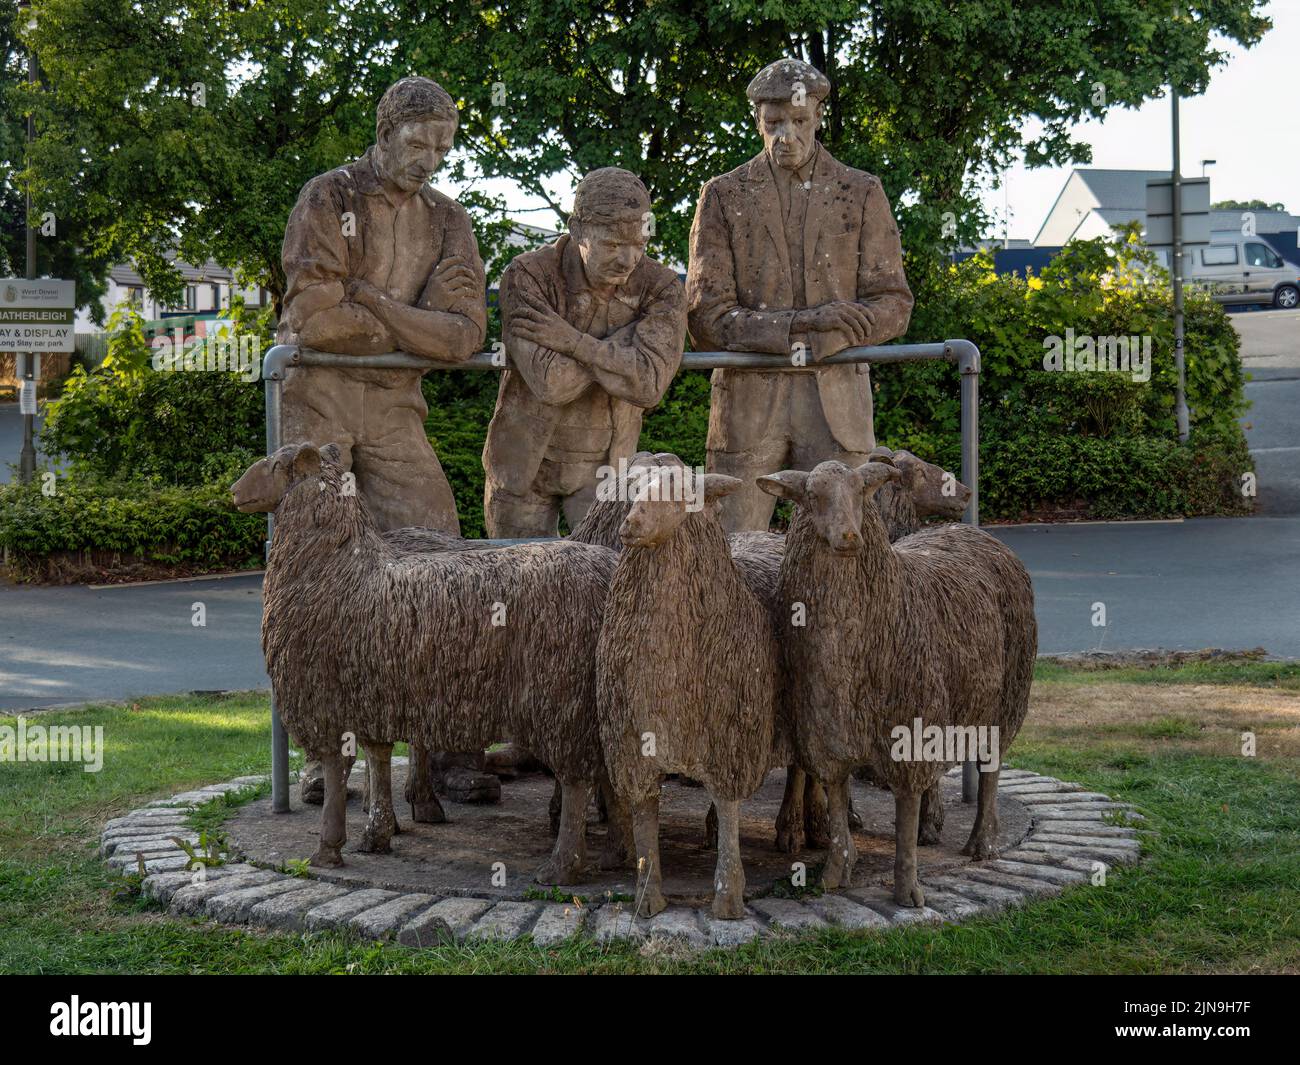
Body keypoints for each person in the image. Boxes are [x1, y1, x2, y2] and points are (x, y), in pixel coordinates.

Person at [277, 76, 488, 814]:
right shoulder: (329, 197)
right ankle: (320, 751)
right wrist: (409, 327)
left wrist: (370, 302)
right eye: (418, 141)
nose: (430, 158)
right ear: (385, 128)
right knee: (318, 572)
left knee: (438, 552)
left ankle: (445, 747)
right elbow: (313, 318)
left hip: (396, 409)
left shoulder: (448, 219)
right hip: (318, 402)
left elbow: (464, 334)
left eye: (443, 146)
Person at [686, 58, 914, 533]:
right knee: (733, 557)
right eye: (773, 124)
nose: (785, 136)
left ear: (818, 117)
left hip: (837, 406)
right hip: (748, 406)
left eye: (798, 121)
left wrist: (837, 337)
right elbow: (705, 319)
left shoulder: (861, 191)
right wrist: (800, 327)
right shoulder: (723, 196)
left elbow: (894, 303)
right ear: (757, 121)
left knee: (844, 561)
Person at [482, 167, 686, 537]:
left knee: (604, 580)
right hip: (523, 465)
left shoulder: (661, 286)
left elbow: (649, 385)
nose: (627, 259)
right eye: (611, 245)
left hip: (606, 468)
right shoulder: (528, 275)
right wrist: (625, 346)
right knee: (516, 581)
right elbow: (551, 384)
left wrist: (570, 340)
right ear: (577, 229)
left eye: (639, 245)